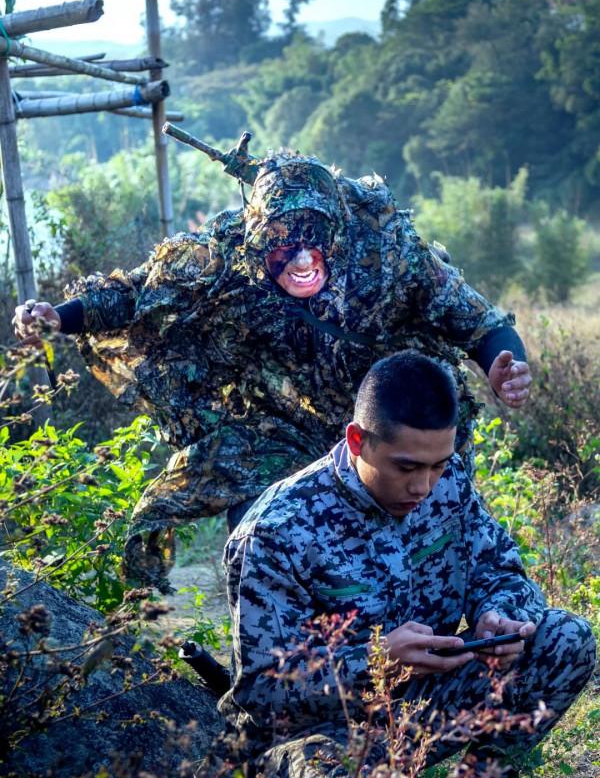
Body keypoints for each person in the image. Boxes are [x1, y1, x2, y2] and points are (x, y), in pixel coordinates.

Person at [13, 150, 532, 590]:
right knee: (257, 516)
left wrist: (502, 365)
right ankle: (267, 637)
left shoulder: (387, 252)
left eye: (315, 239)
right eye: (283, 243)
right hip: (283, 426)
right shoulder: (223, 256)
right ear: (258, 236)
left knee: (427, 524)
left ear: (337, 232)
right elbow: (137, 293)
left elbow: (478, 320)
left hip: (393, 425)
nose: (303, 258)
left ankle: (421, 633)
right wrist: (60, 316)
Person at [221, 352, 595, 778]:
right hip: (312, 738)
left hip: (422, 705)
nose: (424, 487)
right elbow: (262, 694)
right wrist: (375, 662)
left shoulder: (448, 481)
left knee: (565, 639)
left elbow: (499, 568)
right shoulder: (276, 530)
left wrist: (499, 616)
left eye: (438, 464)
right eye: (406, 468)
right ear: (357, 440)